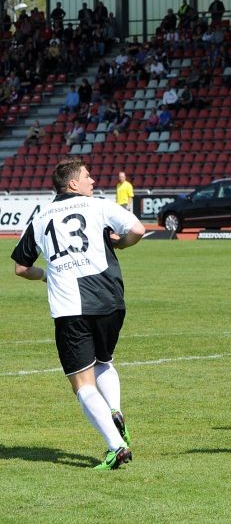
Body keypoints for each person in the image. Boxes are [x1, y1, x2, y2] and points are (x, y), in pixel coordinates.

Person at [11, 158, 145, 470]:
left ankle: (116, 445)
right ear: (73, 184)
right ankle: (115, 408)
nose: (93, 181)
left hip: (71, 305)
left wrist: (45, 275)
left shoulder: (40, 218)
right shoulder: (97, 206)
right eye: (87, 176)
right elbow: (137, 229)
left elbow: (20, 268)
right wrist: (121, 245)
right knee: (104, 361)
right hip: (110, 297)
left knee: (82, 382)